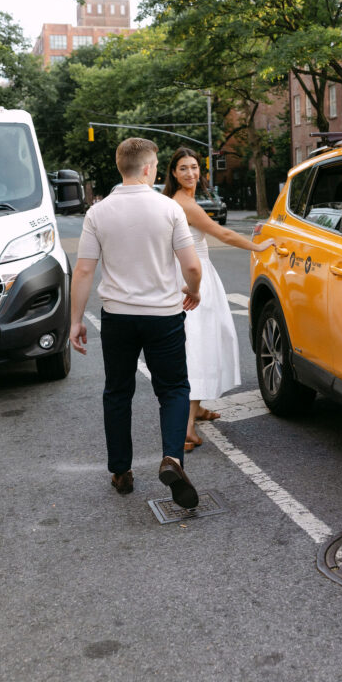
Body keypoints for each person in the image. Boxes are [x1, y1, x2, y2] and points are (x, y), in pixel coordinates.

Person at [70, 137, 202, 509]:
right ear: (147, 168)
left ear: (120, 166)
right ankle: (172, 458)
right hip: (163, 315)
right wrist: (194, 290)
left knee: (117, 392)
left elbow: (83, 270)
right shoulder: (168, 208)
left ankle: (121, 472)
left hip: (118, 317)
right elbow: (191, 265)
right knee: (173, 389)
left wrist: (76, 322)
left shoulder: (98, 212)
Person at [163, 147, 275, 451]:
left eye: (195, 167)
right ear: (173, 173)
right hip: (196, 279)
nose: (191, 173)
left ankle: (196, 410)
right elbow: (222, 234)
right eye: (183, 168)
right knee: (197, 348)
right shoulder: (184, 204)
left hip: (186, 277)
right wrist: (259, 247)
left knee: (197, 343)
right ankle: (186, 429)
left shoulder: (172, 201)